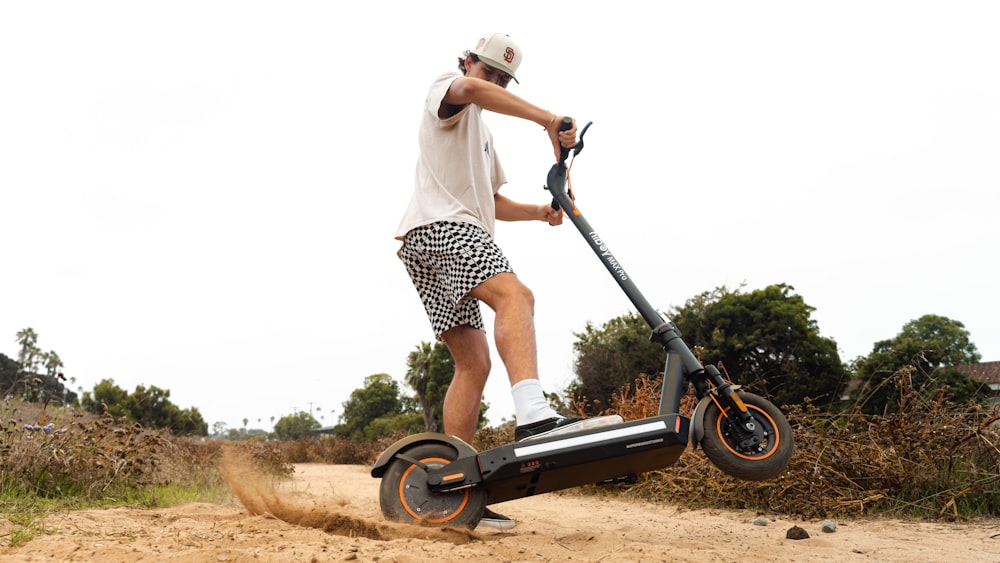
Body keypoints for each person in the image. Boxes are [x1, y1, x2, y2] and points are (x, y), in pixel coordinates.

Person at [394, 32, 622, 530]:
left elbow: (491, 202)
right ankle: (535, 416)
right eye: (489, 71)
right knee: (516, 296)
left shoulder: (482, 137)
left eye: (503, 77)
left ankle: (455, 494)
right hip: (444, 228)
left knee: (473, 364)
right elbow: (471, 93)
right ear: (469, 62)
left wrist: (541, 212)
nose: (492, 81)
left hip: (424, 240)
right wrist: (546, 118)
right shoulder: (448, 90)